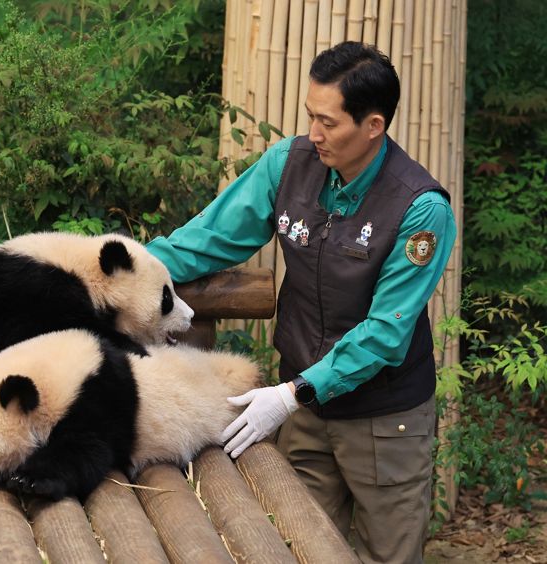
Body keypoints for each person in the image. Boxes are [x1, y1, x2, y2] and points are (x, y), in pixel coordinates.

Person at [146, 41, 457, 564]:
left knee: (389, 555)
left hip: (382, 418)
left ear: (374, 126)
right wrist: (126, 270)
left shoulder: (420, 209)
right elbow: (208, 239)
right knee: (301, 548)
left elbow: (384, 333)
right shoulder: (290, 164)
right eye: (310, 116)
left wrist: (291, 395)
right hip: (305, 407)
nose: (313, 134)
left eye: (328, 123)